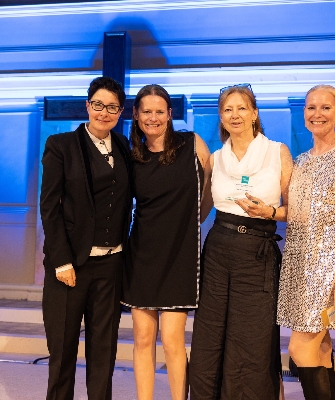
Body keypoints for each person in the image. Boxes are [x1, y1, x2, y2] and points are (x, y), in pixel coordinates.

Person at [189, 83, 293, 399]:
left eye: (242, 108)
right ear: (221, 117)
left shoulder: (277, 152)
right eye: (228, 109)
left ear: (254, 113)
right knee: (210, 337)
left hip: (257, 252)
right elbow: (201, 209)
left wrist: (269, 212)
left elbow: (295, 210)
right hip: (218, 251)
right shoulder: (216, 158)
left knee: (253, 340)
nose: (235, 115)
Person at [40, 76, 132, 400]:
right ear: (87, 106)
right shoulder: (61, 146)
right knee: (63, 353)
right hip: (70, 267)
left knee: (104, 355)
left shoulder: (124, 146)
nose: (104, 112)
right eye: (98, 105)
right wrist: (61, 261)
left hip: (111, 266)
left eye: (112, 107)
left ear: (120, 112)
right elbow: (49, 207)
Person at [277, 84, 335, 399]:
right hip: (299, 267)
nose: (317, 114)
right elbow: (298, 213)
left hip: (329, 269)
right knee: (321, 349)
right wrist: (268, 212)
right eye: (311, 107)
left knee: (299, 349)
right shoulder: (302, 160)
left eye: (326, 107)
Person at [121, 84, 210, 400]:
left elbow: (211, 188)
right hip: (142, 255)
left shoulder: (192, 143)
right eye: (146, 111)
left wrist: (193, 222)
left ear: (170, 114)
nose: (153, 117)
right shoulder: (132, 156)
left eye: (160, 111)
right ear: (136, 114)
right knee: (143, 338)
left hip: (180, 254)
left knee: (173, 340)